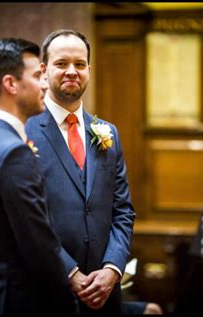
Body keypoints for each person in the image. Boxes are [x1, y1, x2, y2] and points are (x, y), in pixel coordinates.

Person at [0, 38, 78, 314]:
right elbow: (39, 247)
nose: (46, 85)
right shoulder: (14, 152)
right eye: (38, 76)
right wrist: (68, 305)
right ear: (11, 84)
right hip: (18, 302)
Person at [25, 29, 135, 314]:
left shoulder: (107, 132)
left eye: (80, 64)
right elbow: (24, 219)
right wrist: (70, 273)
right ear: (44, 71)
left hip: (105, 295)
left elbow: (122, 210)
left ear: (89, 69)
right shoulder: (24, 131)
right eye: (61, 64)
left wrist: (112, 269)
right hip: (46, 293)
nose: (72, 71)